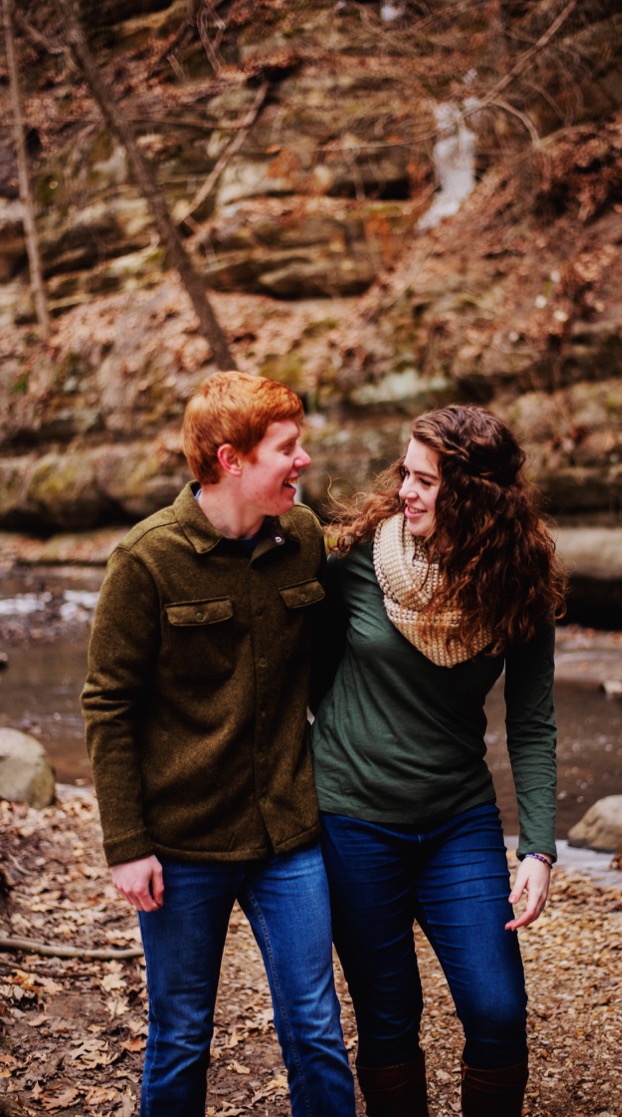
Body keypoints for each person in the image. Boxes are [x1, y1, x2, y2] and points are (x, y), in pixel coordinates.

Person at [81, 370, 356, 1116]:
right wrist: (126, 842)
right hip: (181, 845)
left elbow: (330, 658)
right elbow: (108, 706)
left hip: (287, 834)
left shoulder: (301, 538)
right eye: (287, 448)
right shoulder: (145, 561)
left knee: (317, 1027)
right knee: (180, 1037)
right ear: (231, 459)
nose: (303, 461)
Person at [310, 404, 566, 1117]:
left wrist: (538, 847)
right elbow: (310, 667)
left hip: (458, 820)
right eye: (406, 474)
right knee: (389, 1016)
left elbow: (533, 722)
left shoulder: (518, 581)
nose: (406, 492)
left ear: (475, 497)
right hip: (353, 819)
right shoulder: (357, 558)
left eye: (426, 480)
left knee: (496, 1009)